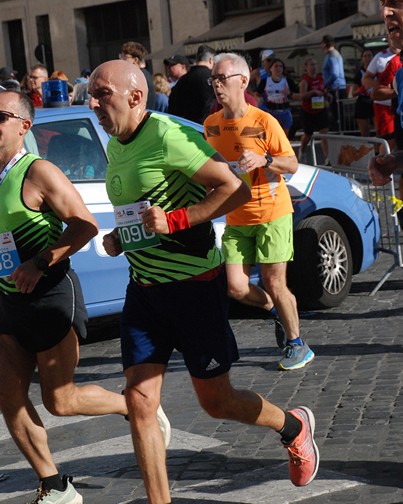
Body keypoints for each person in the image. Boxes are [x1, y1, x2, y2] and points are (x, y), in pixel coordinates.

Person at [87, 59, 319, 504]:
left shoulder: (170, 136)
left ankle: (293, 426)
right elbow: (139, 209)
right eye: (91, 95)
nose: (93, 102)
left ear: (136, 97)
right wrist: (121, 237)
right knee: (139, 403)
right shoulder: (117, 142)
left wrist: (176, 220)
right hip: (145, 290)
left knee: (217, 401)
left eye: (102, 94)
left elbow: (233, 187)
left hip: (195, 287)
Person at [0, 89, 170, 504]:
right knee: (8, 397)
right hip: (7, 301)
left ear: (23, 126)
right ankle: (55, 485)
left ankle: (132, 406)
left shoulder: (38, 172)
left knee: (60, 400)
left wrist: (39, 262)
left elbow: (85, 226)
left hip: (49, 295)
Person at [204, 52, 314, 371]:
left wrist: (265, 160)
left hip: (272, 212)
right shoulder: (211, 125)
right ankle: (276, 312)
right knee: (236, 286)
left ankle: (297, 344)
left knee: (274, 282)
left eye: (221, 79)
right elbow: (212, 168)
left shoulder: (265, 121)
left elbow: (291, 164)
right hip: (236, 216)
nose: (216, 85)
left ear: (243, 81)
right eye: (213, 80)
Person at [369, 0, 403, 188]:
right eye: (383, 3)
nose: (385, 12)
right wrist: (393, 160)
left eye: (396, 2)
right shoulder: (399, 76)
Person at [362, 37, 399, 152]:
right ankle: (380, 163)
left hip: (399, 103)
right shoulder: (380, 57)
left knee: (397, 139)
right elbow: (366, 78)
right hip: (383, 104)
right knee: (389, 139)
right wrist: (377, 85)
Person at [168, 44, 216, 123]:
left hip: (184, 126)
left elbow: (173, 107)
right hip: (206, 126)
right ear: (211, 60)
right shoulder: (212, 78)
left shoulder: (182, 80)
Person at [298, 57, 329, 164]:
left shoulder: (320, 78)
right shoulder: (305, 81)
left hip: (320, 109)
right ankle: (302, 150)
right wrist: (313, 92)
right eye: (311, 65)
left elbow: (323, 90)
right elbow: (302, 96)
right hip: (308, 111)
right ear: (306, 67)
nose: (314, 67)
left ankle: (327, 158)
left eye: (315, 64)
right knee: (308, 135)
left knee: (324, 134)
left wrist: (326, 93)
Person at [256, 58, 298, 136]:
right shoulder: (265, 81)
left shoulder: (288, 81)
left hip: (285, 112)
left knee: (284, 137)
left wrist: (289, 94)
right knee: (272, 136)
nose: (278, 68)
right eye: (276, 66)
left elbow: (300, 96)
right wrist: (258, 99)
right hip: (271, 112)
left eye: (280, 66)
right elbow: (256, 93)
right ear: (270, 69)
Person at [119, 41, 156, 109]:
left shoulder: (139, 76)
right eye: (120, 56)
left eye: (124, 57)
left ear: (135, 60)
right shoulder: (143, 74)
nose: (121, 59)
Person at [321, 35, 347, 130]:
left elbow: (335, 74)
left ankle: (340, 133)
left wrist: (325, 85)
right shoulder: (332, 54)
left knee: (337, 115)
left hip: (336, 89)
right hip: (336, 88)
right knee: (337, 114)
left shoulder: (332, 55)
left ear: (325, 43)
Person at [352, 50, 374, 137]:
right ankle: (367, 149)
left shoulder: (377, 71)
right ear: (362, 59)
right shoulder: (359, 73)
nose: (367, 58)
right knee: (364, 131)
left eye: (369, 55)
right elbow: (353, 93)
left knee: (379, 130)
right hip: (363, 102)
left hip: (375, 100)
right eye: (365, 56)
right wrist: (360, 90)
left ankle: (377, 150)